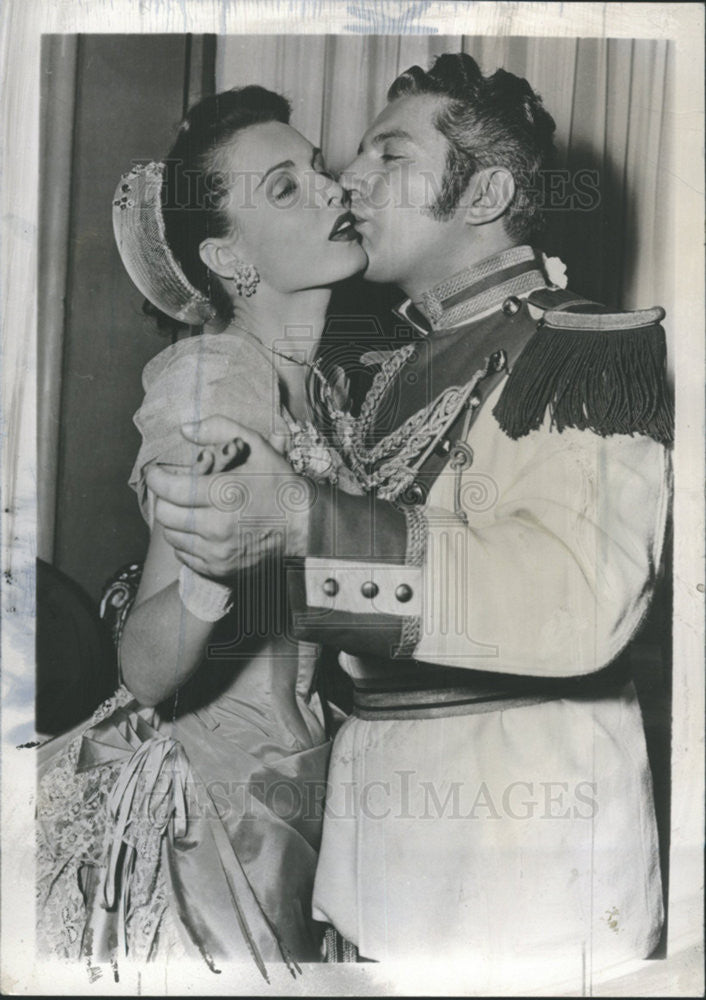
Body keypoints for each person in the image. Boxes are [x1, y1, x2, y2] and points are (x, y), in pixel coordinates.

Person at [146, 55, 673, 971]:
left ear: (486, 194)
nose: (350, 179)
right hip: (360, 856)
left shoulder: (581, 353)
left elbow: (580, 600)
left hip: (520, 854)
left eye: (388, 155)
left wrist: (314, 523)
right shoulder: (373, 375)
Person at [35, 85, 367, 974]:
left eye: (320, 172)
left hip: (292, 779)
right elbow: (145, 662)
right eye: (286, 187)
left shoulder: (320, 390)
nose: (334, 191)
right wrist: (217, 575)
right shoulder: (218, 379)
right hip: (212, 811)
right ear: (227, 254)